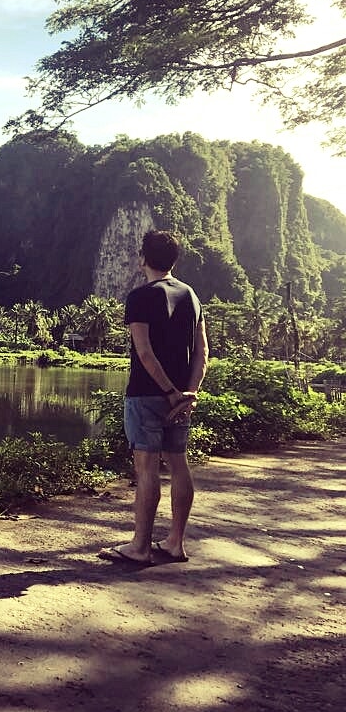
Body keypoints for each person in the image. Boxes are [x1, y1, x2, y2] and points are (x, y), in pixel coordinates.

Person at [100, 230, 208, 565]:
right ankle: (175, 543)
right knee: (178, 463)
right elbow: (202, 353)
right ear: (174, 260)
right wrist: (188, 394)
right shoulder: (191, 295)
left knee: (146, 469)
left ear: (143, 259)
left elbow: (145, 354)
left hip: (147, 395)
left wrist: (171, 392)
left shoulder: (140, 297)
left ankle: (140, 548)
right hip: (180, 399)